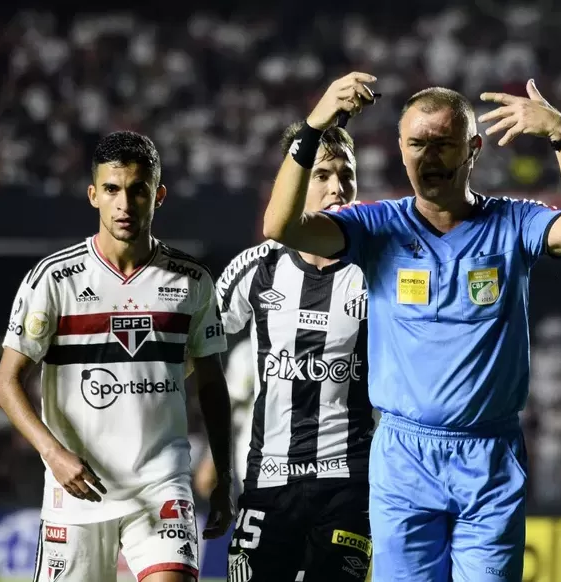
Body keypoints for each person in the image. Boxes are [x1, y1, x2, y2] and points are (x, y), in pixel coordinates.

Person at [261, 72, 561, 581]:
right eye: (416, 144)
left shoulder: (512, 224)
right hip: (404, 457)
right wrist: (312, 128)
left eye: (443, 144)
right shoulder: (378, 227)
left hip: (489, 458)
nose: (428, 157)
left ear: (473, 148)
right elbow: (282, 227)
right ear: (401, 149)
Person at [0, 131, 234, 581]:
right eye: (112, 189)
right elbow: (6, 382)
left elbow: (212, 384)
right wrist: (53, 453)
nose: (125, 203)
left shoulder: (192, 281)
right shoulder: (54, 279)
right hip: (78, 491)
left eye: (138, 189)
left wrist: (223, 474)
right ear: (93, 195)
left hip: (162, 482)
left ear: (157, 195)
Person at [216, 123, 375, 582]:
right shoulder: (256, 267)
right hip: (268, 480)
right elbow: (194, 350)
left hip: (349, 481)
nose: (338, 186)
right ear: (295, 181)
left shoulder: (377, 266)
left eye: (347, 173)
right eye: (322, 174)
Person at [194, 336, 255, 502]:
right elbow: (229, 411)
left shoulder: (329, 346)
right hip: (256, 460)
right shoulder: (249, 352)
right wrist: (210, 459)